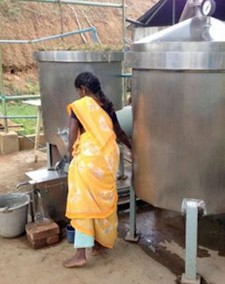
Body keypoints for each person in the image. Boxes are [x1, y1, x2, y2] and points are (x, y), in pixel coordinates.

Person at [63, 72, 132, 268]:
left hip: (89, 161)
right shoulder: (107, 107)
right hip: (108, 160)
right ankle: (100, 244)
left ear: (83, 90)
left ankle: (80, 254)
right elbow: (119, 133)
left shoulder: (81, 106)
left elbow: (71, 136)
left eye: (78, 91)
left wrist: (71, 155)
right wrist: (132, 148)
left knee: (83, 206)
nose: (78, 95)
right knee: (102, 203)